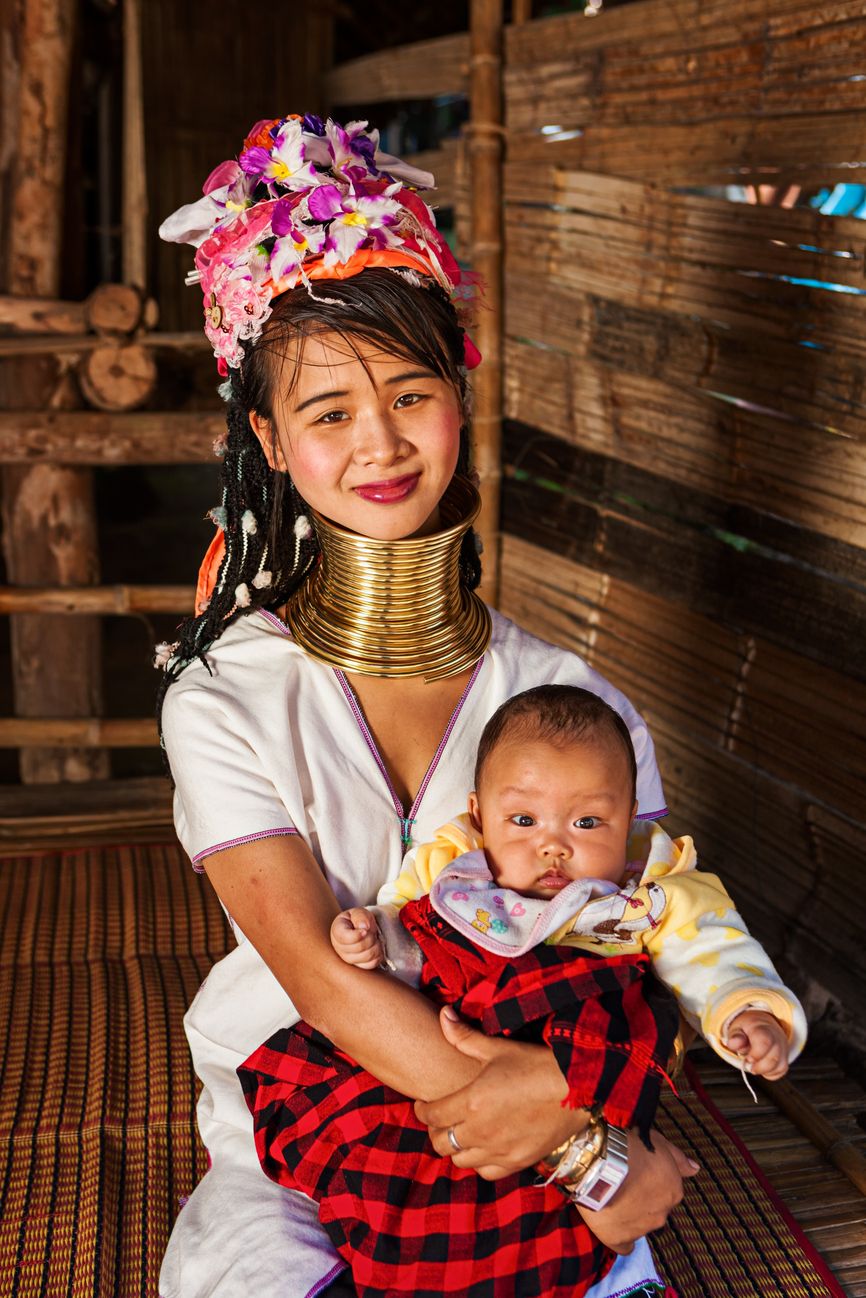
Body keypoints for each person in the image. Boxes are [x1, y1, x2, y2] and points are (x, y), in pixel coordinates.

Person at [156, 113, 698, 1298]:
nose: (380, 443)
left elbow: (649, 946)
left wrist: (560, 1115)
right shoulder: (224, 695)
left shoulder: (572, 700)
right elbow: (321, 975)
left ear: (459, 394)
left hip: (535, 1105)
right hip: (296, 1135)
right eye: (328, 412)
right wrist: (585, 1141)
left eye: (410, 393)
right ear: (266, 437)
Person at [239, 685, 804, 1297]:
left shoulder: (654, 895)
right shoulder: (456, 870)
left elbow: (715, 956)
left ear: (632, 815)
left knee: (624, 1033)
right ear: (480, 816)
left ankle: (591, 1269)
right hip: (444, 1046)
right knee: (394, 1163)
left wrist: (746, 1010)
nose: (553, 844)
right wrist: (371, 937)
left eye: (588, 822)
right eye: (524, 820)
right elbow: (407, 928)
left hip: (576, 1059)